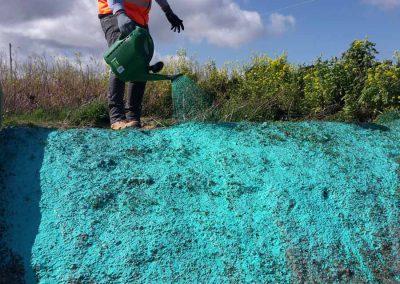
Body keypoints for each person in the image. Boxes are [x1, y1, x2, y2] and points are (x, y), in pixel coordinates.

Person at [98, 0, 184, 130]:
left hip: (139, 18)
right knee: (122, 58)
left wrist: (168, 12)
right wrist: (120, 13)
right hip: (114, 13)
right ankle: (117, 118)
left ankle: (133, 118)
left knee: (141, 64)